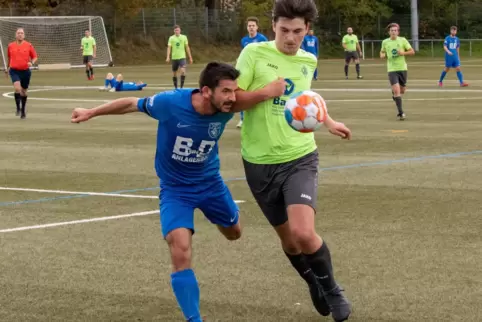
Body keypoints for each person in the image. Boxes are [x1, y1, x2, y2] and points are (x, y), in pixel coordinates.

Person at [72, 62, 260, 322]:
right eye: (226, 91)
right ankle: (194, 319)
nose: (232, 98)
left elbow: (259, 97)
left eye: (234, 91)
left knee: (234, 233)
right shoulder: (170, 103)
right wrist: (91, 112)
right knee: (180, 248)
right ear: (207, 91)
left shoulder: (229, 107)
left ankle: (221, 216)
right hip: (175, 189)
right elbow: (131, 103)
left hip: (210, 184)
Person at [233, 0, 352, 320]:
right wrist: (265, 92)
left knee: (302, 232)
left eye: (297, 31)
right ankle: (312, 281)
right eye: (284, 30)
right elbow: (231, 101)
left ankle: (332, 288)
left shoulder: (308, 60)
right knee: (289, 241)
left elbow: (305, 103)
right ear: (273, 26)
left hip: (300, 156)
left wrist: (328, 121)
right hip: (258, 161)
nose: (290, 38)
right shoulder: (253, 54)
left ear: (307, 31)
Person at [237, 16, 269, 128]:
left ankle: (261, 118)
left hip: (259, 69)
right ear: (247, 27)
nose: (251, 28)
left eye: (253, 26)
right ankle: (242, 119)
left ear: (257, 27)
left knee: (259, 92)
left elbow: (267, 53)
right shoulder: (244, 40)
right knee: (243, 91)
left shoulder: (262, 39)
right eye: (249, 26)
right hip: (247, 70)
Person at [380, 23, 415, 121]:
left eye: (395, 30)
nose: (394, 32)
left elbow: (412, 51)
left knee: (402, 90)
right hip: (392, 69)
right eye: (392, 30)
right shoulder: (385, 42)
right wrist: (382, 54)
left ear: (398, 31)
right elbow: (382, 51)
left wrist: (403, 53)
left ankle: (395, 94)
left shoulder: (403, 40)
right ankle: (401, 113)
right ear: (389, 32)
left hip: (402, 68)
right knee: (397, 91)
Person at [6, 27, 38, 119]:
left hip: (25, 72)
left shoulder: (29, 45)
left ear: (24, 35)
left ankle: (23, 110)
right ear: (15, 35)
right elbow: (9, 58)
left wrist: (31, 62)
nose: (20, 34)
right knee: (17, 89)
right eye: (18, 33)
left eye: (22, 33)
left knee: (24, 92)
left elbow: (35, 57)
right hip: (14, 70)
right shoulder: (10, 46)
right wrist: (8, 68)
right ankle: (18, 108)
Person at [166, 25, 193, 89]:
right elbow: (169, 48)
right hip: (174, 58)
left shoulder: (184, 37)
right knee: (174, 73)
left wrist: (190, 57)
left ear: (180, 30)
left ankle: (181, 87)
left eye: (178, 30)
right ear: (174, 31)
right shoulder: (171, 38)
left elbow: (187, 47)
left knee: (183, 71)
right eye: (175, 30)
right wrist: (168, 57)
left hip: (182, 57)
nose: (177, 31)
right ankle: (175, 88)